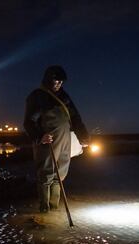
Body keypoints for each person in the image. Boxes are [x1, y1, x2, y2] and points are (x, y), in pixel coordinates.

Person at [23, 65, 89, 213]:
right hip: (48, 141)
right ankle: (44, 208)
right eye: (56, 81)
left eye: (61, 81)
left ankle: (55, 208)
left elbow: (76, 118)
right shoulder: (37, 96)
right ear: (48, 79)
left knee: (61, 173)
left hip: (65, 138)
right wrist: (40, 136)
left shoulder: (65, 96)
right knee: (46, 172)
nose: (59, 84)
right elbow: (28, 122)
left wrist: (83, 137)